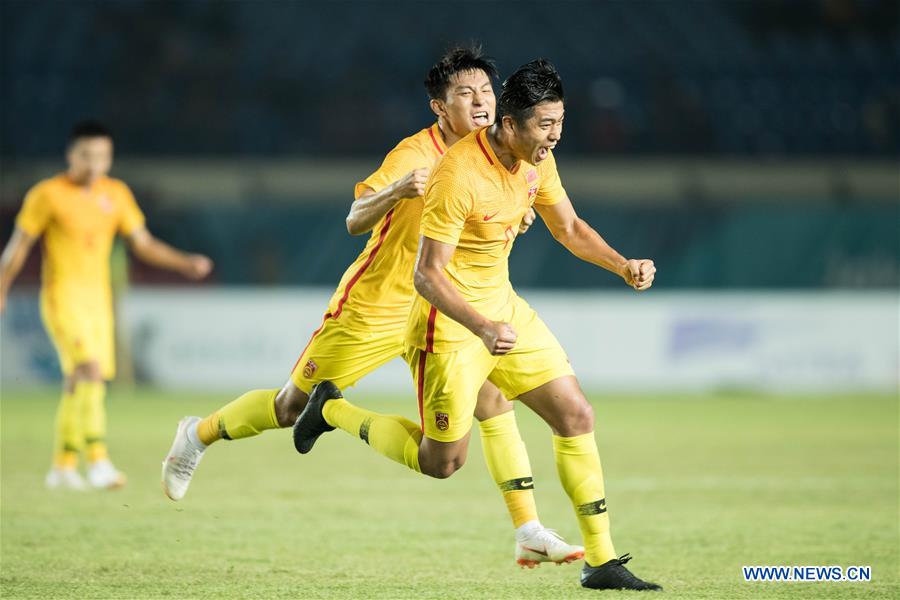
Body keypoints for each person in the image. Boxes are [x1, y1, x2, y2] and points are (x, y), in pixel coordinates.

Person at [162, 47, 582, 568]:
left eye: (485, 92)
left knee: (493, 399)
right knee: (290, 405)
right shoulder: (413, 154)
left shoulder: (506, 154)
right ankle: (196, 435)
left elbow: (530, 215)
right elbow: (354, 217)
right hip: (378, 303)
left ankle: (528, 529)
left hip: (448, 307)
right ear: (438, 106)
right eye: (464, 94)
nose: (480, 102)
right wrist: (399, 190)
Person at [294, 59, 661, 591]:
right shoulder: (458, 175)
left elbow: (570, 228)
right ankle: (330, 407)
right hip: (449, 326)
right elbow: (426, 276)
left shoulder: (537, 159)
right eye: (545, 125)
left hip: (506, 310)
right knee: (441, 462)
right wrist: (483, 328)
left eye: (560, 123)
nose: (555, 137)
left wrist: (623, 265)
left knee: (576, 414)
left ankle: (600, 562)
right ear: (509, 124)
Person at [0, 120, 213, 490]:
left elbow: (142, 244)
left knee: (82, 382)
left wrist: (184, 263)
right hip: (61, 298)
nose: (94, 163)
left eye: (102, 155)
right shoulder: (47, 194)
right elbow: (19, 245)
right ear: (71, 155)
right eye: (86, 155)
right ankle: (98, 461)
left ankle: (63, 466)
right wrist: (2, 287)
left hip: (99, 303)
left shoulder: (116, 194)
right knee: (90, 370)